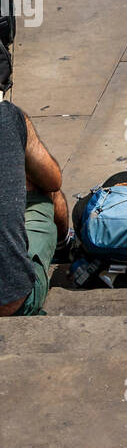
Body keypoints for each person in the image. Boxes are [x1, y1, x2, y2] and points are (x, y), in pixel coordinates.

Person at [0, 99, 70, 318]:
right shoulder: (9, 116)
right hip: (11, 303)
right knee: (44, 188)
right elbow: (52, 180)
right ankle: (63, 245)